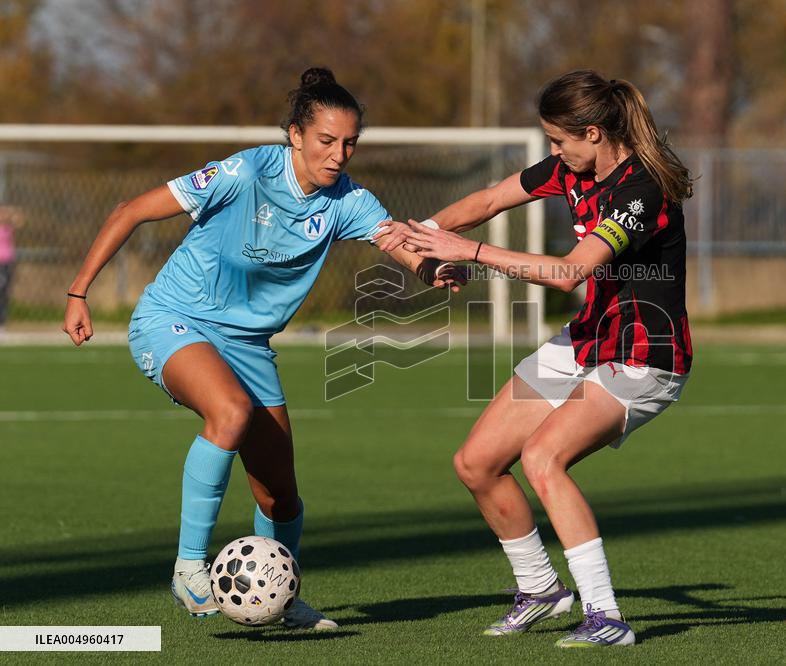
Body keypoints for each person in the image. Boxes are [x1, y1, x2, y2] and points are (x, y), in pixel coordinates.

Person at [62, 67, 462, 628]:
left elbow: (395, 242)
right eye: (326, 140)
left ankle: (281, 597)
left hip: (247, 345)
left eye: (350, 143)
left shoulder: (348, 201)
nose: (338, 155)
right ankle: (188, 567)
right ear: (295, 135)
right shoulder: (245, 171)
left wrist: (430, 268)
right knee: (230, 412)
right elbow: (128, 211)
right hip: (174, 319)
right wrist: (78, 292)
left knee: (280, 497)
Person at [378, 69, 693, 648]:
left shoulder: (642, 190)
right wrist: (421, 233)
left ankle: (606, 618)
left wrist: (469, 251)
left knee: (543, 457)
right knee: (477, 463)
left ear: (593, 133)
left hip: (644, 355)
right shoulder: (570, 169)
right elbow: (488, 200)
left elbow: (570, 271)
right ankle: (541, 589)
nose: (552, 151)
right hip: (585, 341)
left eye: (558, 139)